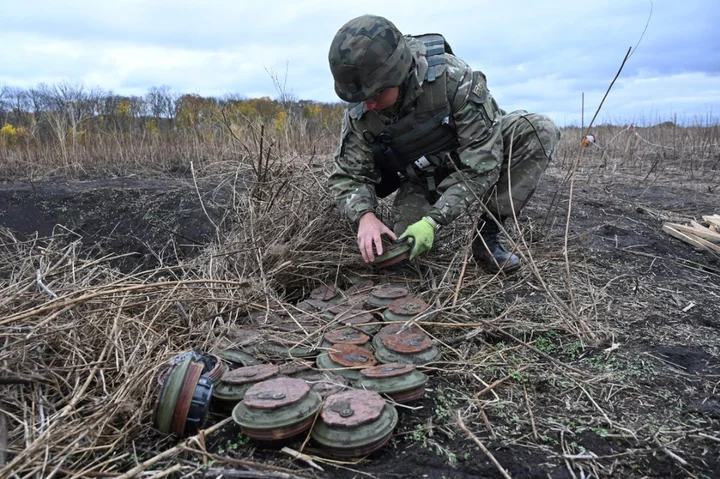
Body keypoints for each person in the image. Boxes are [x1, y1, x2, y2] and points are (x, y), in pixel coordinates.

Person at [326, 14, 561, 272]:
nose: (368, 104)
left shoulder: (452, 78)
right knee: (405, 255)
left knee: (538, 130)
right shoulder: (362, 112)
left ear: (401, 73)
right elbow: (348, 176)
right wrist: (364, 215)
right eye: (361, 97)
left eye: (377, 94)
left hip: (471, 157)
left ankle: (487, 234)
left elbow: (483, 162)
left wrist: (434, 220)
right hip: (422, 177)